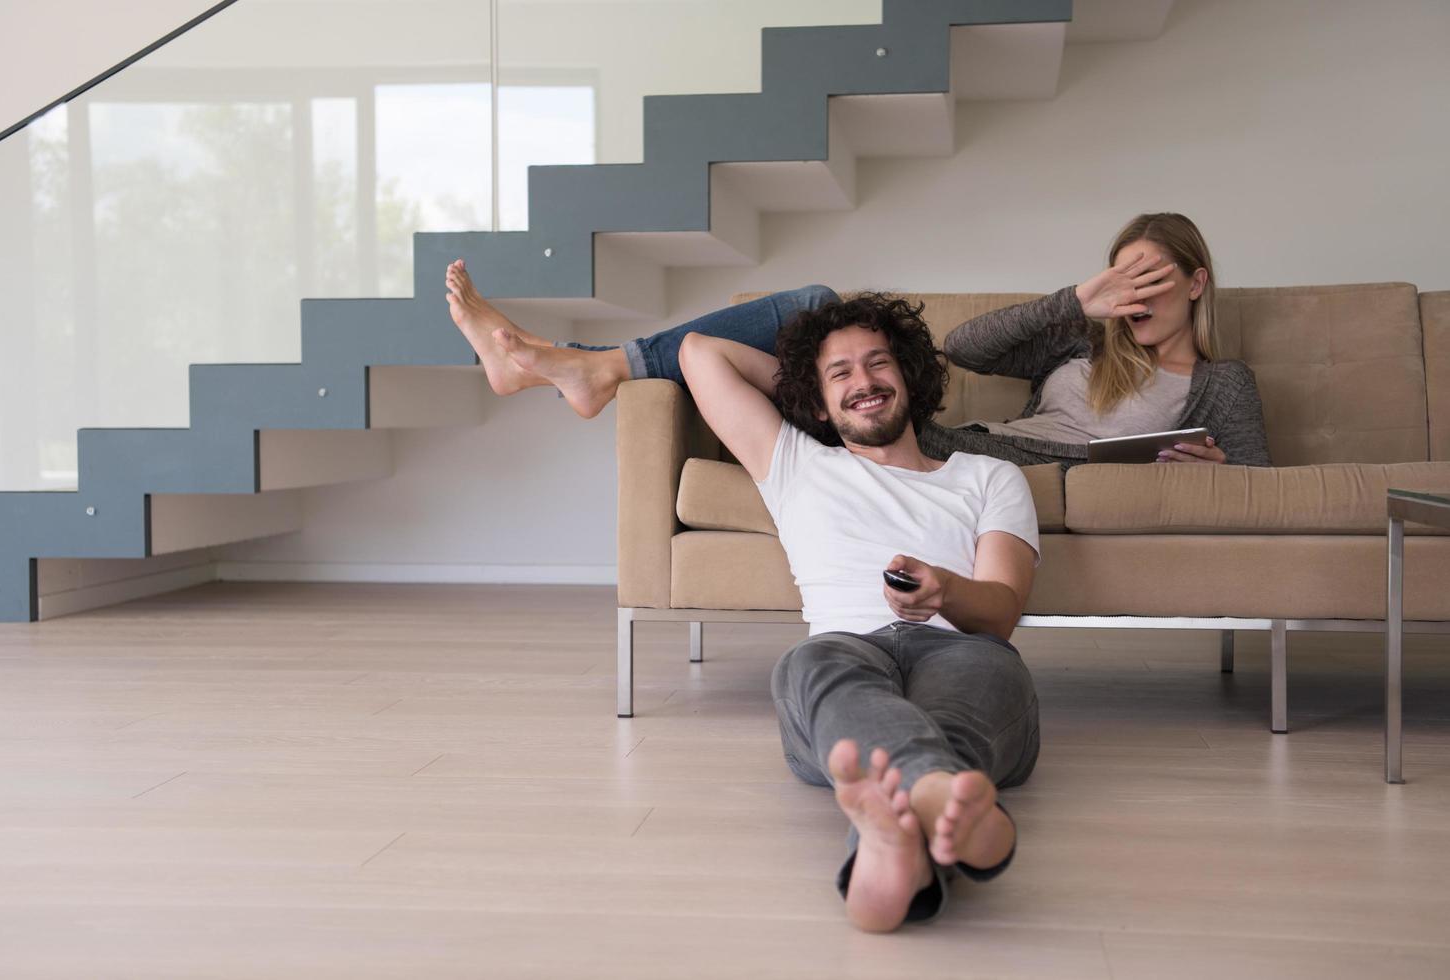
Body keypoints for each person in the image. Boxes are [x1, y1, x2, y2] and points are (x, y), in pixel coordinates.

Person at [678, 292, 1041, 932]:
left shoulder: (988, 476)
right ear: (815, 400)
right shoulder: (793, 461)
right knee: (809, 665)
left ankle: (889, 848)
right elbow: (697, 352)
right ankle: (944, 811)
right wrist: (805, 388)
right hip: (846, 647)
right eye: (841, 374)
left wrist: (944, 592)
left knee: (974, 686)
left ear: (910, 375)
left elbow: (1003, 611)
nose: (865, 383)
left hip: (964, 648)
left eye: (880, 365)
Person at [444, 212, 1270, 467]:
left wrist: (1218, 475)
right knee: (811, 303)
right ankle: (596, 369)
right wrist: (1077, 302)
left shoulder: (1220, 384)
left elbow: (1263, 487)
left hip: (963, 465)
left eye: (1153, 279)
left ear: (1196, 283)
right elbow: (969, 348)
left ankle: (587, 370)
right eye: (1120, 280)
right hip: (940, 440)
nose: (1135, 298)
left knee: (788, 317)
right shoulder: (1076, 346)